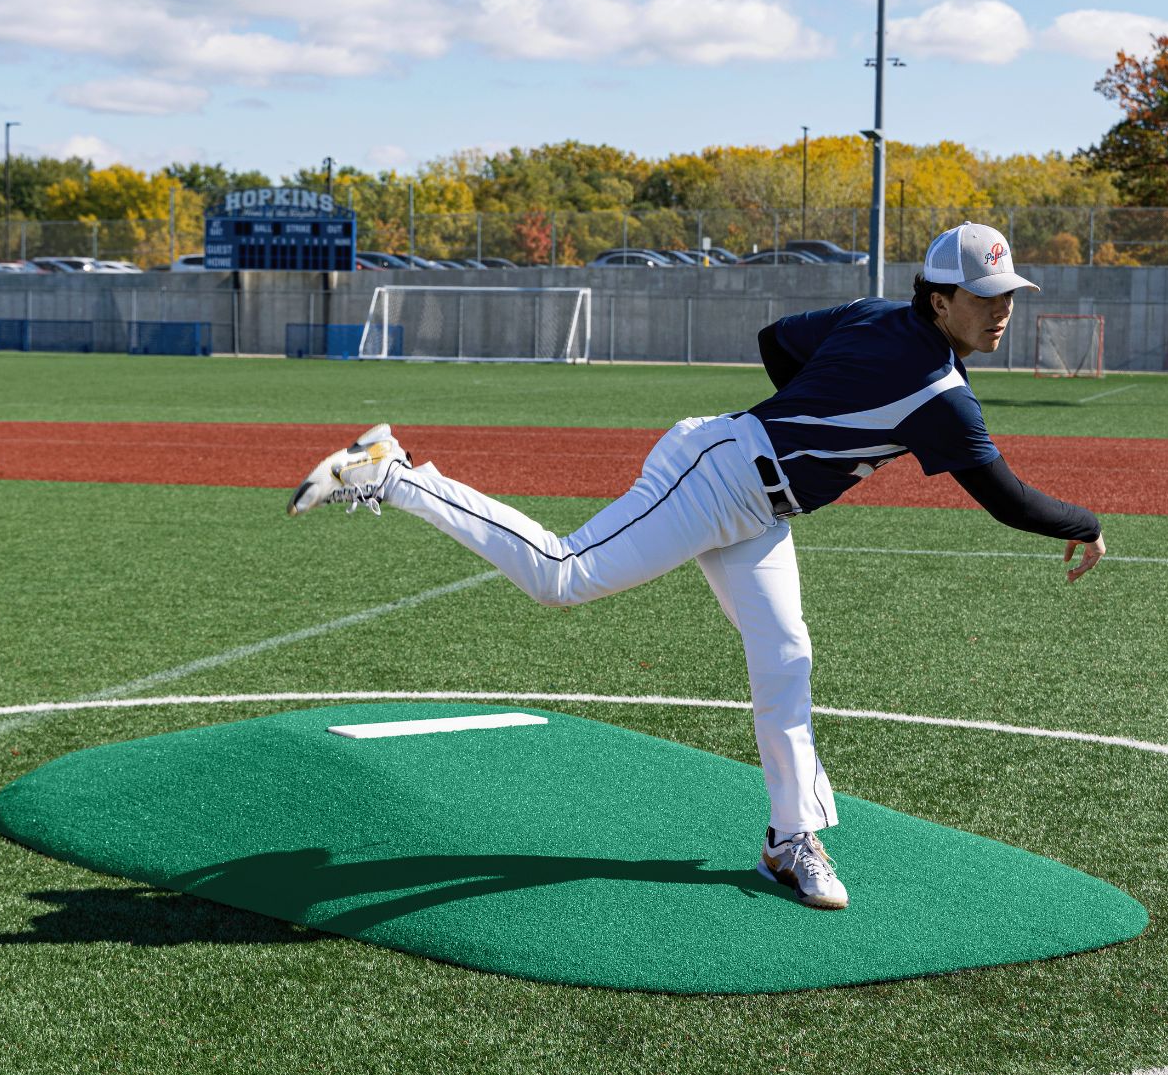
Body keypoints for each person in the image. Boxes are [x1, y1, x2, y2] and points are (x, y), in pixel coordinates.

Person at [287, 221, 1104, 911]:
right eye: (985, 297)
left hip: (754, 497)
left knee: (785, 656)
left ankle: (789, 841)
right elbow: (1007, 500)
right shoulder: (940, 394)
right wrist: (1088, 524)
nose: (1002, 310)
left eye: (1008, 295)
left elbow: (777, 342)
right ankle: (393, 473)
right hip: (717, 476)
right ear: (940, 300)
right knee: (561, 577)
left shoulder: (873, 315)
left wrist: (804, 417)